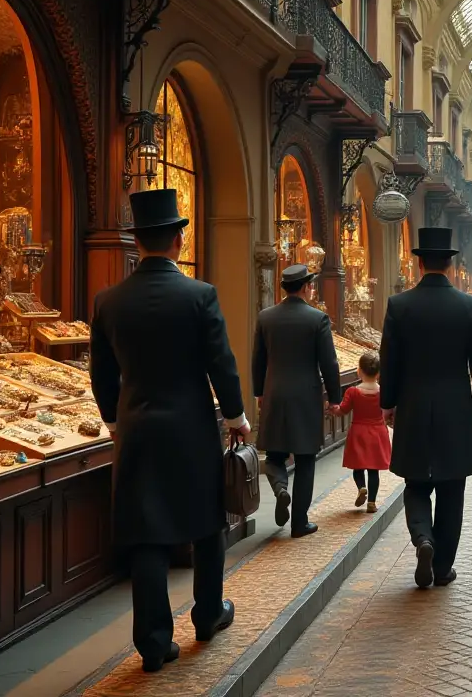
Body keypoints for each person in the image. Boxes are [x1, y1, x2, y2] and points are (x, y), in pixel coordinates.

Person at [90, 189, 246, 673]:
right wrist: (236, 416)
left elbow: (101, 375)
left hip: (136, 429)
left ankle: (154, 643)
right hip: (192, 428)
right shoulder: (200, 295)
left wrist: (117, 420)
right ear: (179, 240)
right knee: (206, 524)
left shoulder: (109, 300)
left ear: (137, 241)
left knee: (147, 533)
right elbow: (221, 363)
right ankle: (207, 615)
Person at [380, 227, 472, 588]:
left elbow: (389, 360)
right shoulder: (468, 305)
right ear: (450, 264)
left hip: (412, 403)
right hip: (455, 406)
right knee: (451, 488)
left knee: (415, 482)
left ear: (418, 262)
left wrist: (388, 403)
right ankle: (442, 567)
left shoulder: (399, 305)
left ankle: (422, 538)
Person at [252, 264, 342, 538]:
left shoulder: (265, 317)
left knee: (275, 454)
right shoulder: (317, 319)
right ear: (305, 287)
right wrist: (335, 398)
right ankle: (299, 523)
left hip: (275, 393)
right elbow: (329, 363)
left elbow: (258, 360)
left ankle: (280, 487)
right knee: (305, 459)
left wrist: (259, 393)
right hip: (306, 395)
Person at [340, 350, 391, 513]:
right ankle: (372, 502)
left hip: (359, 432)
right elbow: (388, 408)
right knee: (373, 470)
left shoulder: (353, 392)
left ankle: (361, 487)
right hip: (377, 432)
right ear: (378, 373)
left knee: (358, 468)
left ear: (359, 370)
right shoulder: (382, 391)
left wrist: (333, 409)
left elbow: (344, 409)